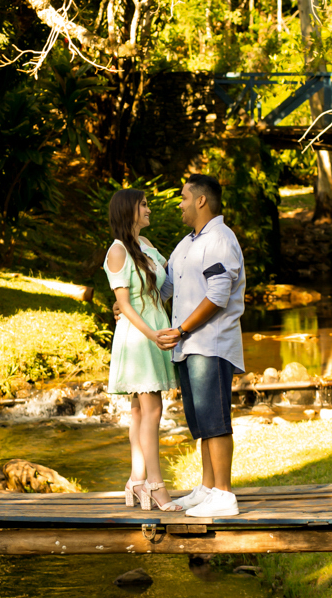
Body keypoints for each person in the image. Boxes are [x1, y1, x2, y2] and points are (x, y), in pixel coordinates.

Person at [156, 174, 245, 518]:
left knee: (216, 420)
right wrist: (126, 302)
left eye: (183, 198)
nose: (179, 204)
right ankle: (208, 488)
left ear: (201, 200)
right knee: (202, 422)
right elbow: (165, 288)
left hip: (210, 343)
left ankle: (224, 494)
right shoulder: (186, 244)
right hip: (189, 346)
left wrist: (181, 329)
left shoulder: (220, 239)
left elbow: (218, 295)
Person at [103, 188, 183, 512]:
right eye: (144, 205)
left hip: (154, 329)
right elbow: (124, 304)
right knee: (152, 411)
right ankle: (156, 485)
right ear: (129, 211)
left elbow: (166, 283)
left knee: (140, 412)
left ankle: (136, 480)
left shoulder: (146, 245)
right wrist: (152, 335)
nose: (149, 209)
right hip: (139, 337)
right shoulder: (117, 251)